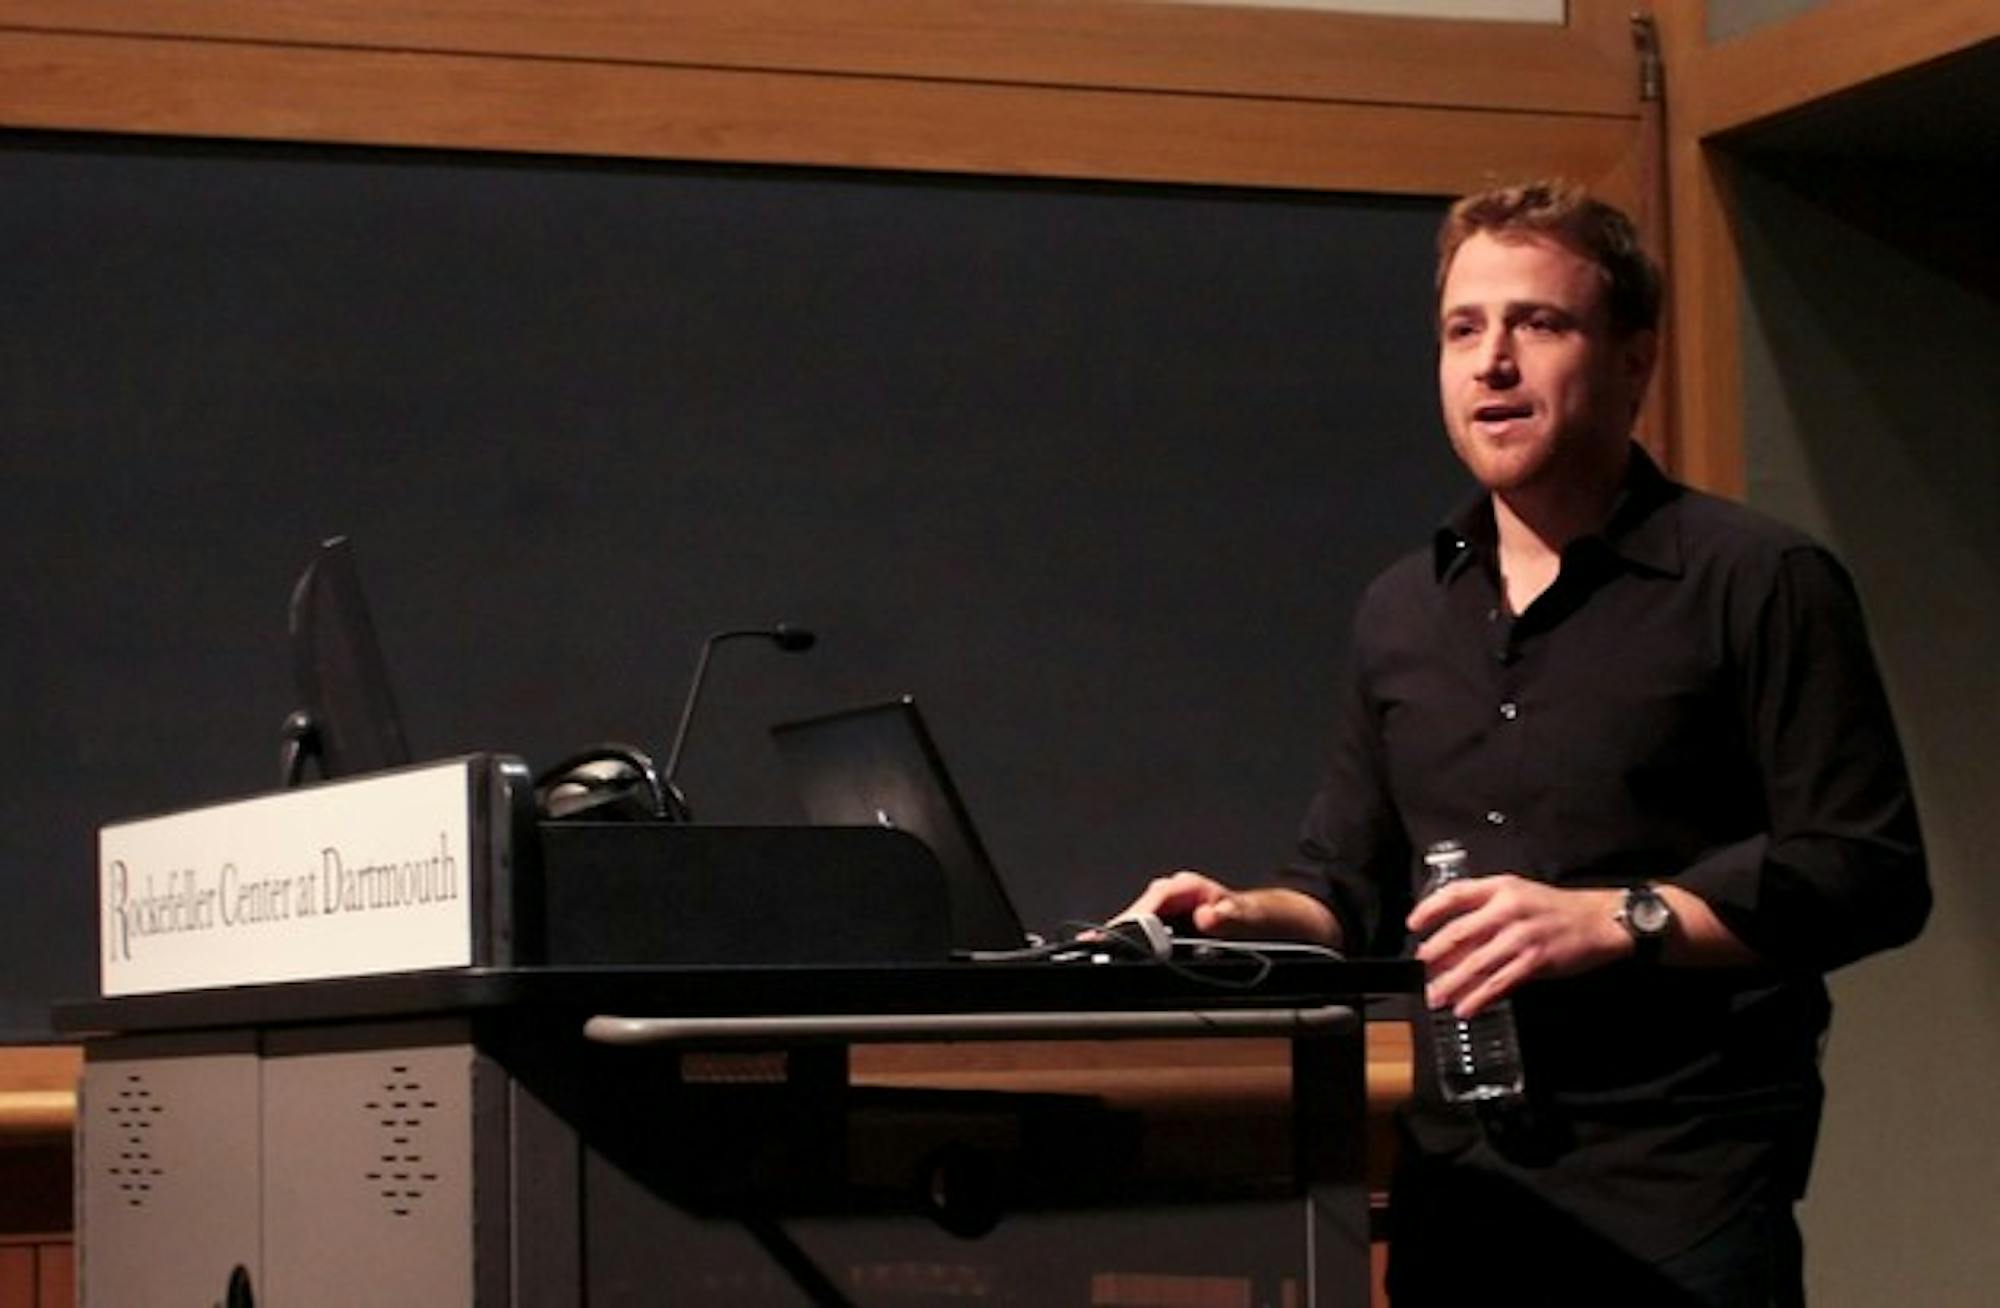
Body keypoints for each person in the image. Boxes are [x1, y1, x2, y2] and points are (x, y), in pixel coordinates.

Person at [1120, 180, 1929, 1306]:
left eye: (1536, 324)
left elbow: (1868, 872)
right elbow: (1345, 886)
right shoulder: (1400, 610)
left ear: (1632, 359)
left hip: (1679, 1202)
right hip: (1464, 1190)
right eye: (1463, 330)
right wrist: (1234, 919)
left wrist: (1612, 918)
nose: (1490, 362)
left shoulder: (1758, 581)